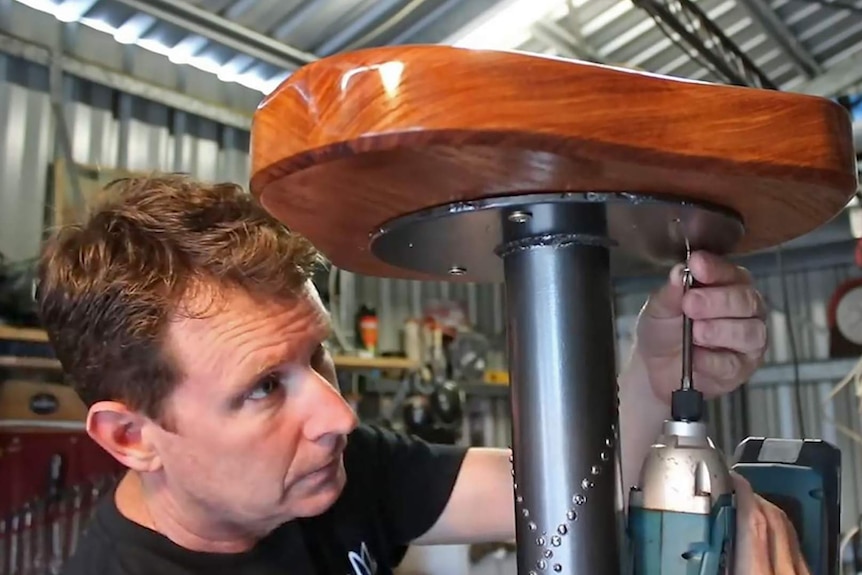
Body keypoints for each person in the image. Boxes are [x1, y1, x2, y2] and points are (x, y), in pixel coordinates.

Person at [34, 174, 806, 575]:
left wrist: (656, 366)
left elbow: (575, 489)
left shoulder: (337, 472)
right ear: (131, 436)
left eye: (318, 355)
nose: (336, 412)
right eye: (266, 386)